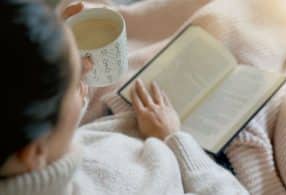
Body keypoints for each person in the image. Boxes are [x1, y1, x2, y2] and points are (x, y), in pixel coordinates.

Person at [0, 0, 248, 194]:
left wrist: (55, 50)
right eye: (76, 79)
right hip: (189, 157)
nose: (87, 69)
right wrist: (174, 139)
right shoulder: (134, 186)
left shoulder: (20, 154)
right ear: (34, 152)